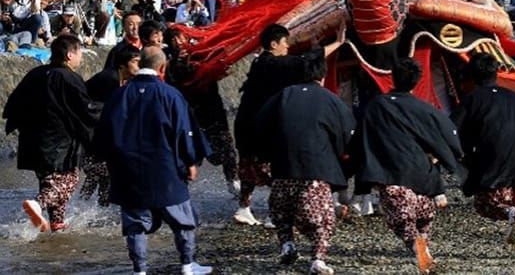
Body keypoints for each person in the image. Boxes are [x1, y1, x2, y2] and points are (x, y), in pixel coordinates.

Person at [93, 47, 212, 275]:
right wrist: (190, 161)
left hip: (127, 171)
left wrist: (107, 162)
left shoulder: (119, 95)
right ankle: (187, 265)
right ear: (162, 67)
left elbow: (104, 134)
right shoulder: (171, 95)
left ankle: (140, 270)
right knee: (182, 220)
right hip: (165, 169)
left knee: (135, 224)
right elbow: (184, 131)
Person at [351, 58, 464, 274]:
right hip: (423, 174)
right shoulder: (424, 107)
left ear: (392, 77)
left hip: (390, 173)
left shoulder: (376, 105)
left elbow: (361, 138)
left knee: (401, 219)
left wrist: (356, 171)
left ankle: (417, 246)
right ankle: (423, 248)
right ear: (416, 81)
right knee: (423, 217)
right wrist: (452, 156)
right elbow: (449, 135)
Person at [233, 22, 346, 226]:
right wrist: (337, 43)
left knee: (248, 168)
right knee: (276, 171)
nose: (287, 47)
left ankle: (244, 207)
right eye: (285, 42)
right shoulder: (272, 63)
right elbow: (303, 63)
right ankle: (274, 214)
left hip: (246, 125)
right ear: (274, 44)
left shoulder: (260, 63)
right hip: (261, 127)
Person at [257, 52, 356, 275]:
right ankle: (318, 259)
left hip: (283, 167)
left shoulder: (282, 96)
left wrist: (265, 160)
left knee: (282, 214)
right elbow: (348, 134)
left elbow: (260, 126)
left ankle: (287, 244)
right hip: (316, 169)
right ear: (322, 75)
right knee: (322, 219)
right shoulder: (330, 99)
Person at [452, 53, 515, 258]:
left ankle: (511, 213)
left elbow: (452, 129)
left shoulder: (472, 100)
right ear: (496, 72)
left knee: (485, 204)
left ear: (473, 77)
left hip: (493, 160)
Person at [3, 34, 98, 232]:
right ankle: (38, 204)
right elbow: (85, 109)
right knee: (69, 180)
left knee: (49, 181)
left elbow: (13, 105)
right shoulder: (68, 77)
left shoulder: (36, 73)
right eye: (79, 52)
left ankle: (57, 223)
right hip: (59, 143)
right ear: (70, 55)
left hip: (32, 140)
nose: (81, 57)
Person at [165, 26, 240, 197]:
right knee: (190, 151)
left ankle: (232, 180)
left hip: (212, 110)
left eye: (181, 38)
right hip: (190, 114)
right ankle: (179, 187)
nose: (178, 42)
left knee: (226, 147)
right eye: (174, 39)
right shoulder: (171, 64)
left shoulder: (203, 55)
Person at [80, 44, 141, 206]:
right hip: (88, 136)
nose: (139, 66)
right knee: (105, 172)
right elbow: (110, 114)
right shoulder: (110, 79)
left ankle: (88, 211)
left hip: (96, 135)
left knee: (102, 176)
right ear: (123, 64)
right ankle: (80, 209)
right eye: (135, 62)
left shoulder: (121, 80)